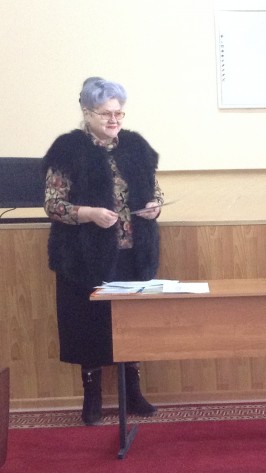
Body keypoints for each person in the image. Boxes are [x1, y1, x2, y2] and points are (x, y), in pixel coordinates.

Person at [42, 77, 163, 426]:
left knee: (132, 325)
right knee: (89, 325)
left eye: (119, 113)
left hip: (132, 255)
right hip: (85, 258)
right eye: (105, 113)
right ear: (87, 112)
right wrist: (88, 214)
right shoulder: (68, 150)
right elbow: (52, 204)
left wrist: (155, 206)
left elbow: (155, 191)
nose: (114, 120)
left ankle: (133, 392)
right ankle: (92, 398)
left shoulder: (136, 148)